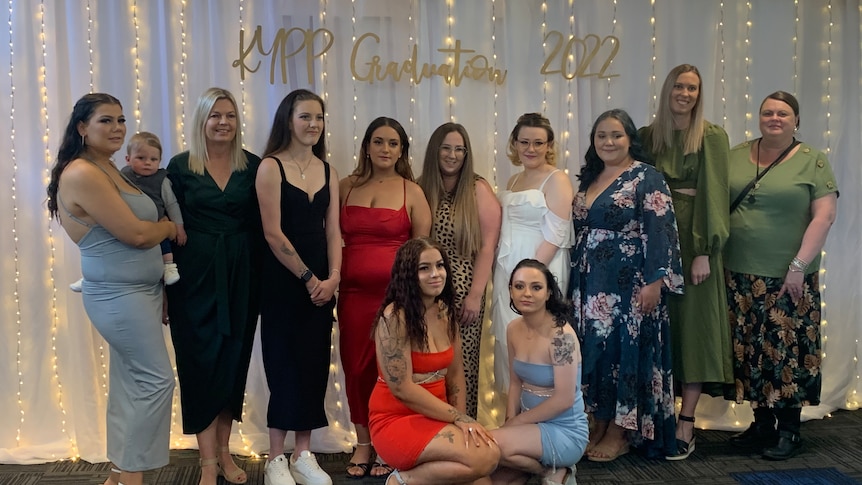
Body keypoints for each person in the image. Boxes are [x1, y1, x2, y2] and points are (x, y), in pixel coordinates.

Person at [46, 93, 177, 485]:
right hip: (119, 297)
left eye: (121, 120)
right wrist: (169, 228)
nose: (117, 128)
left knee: (130, 384)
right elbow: (136, 234)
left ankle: (119, 474)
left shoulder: (109, 168)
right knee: (156, 381)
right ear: (82, 127)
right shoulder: (82, 173)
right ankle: (133, 478)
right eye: (106, 121)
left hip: (141, 293)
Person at [723, 91, 838, 461]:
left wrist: (798, 266)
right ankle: (761, 424)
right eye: (768, 112)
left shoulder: (813, 161)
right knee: (750, 352)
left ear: (796, 120)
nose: (775, 118)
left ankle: (789, 429)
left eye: (783, 113)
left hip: (789, 278)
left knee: (786, 353)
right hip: (738, 274)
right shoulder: (736, 155)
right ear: (759, 117)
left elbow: (825, 217)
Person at [570, 109, 683, 461]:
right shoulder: (591, 177)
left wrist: (655, 282)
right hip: (588, 281)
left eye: (616, 135)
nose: (608, 142)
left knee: (623, 353)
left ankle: (621, 432)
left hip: (629, 283)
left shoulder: (647, 177)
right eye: (601, 135)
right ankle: (601, 421)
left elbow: (662, 230)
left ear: (630, 138)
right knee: (598, 352)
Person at [165, 87, 262, 485]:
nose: (223, 122)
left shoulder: (253, 166)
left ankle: (224, 451)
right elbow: (167, 229)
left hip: (242, 275)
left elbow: (261, 226)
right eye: (215, 115)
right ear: (201, 121)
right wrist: (165, 290)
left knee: (232, 364)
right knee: (199, 365)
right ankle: (206, 461)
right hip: (193, 279)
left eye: (230, 115)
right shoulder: (179, 166)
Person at [638, 64, 733, 460]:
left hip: (694, 243)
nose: (686, 93)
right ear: (667, 90)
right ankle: (656, 416)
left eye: (693, 87)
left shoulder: (711, 136)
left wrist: (704, 252)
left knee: (693, 335)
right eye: (679, 86)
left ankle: (686, 422)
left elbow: (715, 195)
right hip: (652, 243)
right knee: (659, 332)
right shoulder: (646, 136)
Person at [338, 117, 432, 479]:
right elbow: (331, 237)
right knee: (357, 368)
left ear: (402, 150)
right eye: (379, 142)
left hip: (395, 298)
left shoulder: (412, 191)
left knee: (390, 370)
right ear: (367, 146)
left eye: (394, 144)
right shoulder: (345, 186)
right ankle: (363, 442)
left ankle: (388, 443)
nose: (386, 150)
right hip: (353, 295)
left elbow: (422, 252)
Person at [255, 89, 340, 485]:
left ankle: (303, 454)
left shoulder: (328, 170)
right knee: (283, 365)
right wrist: (308, 278)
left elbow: (334, 232)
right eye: (305, 117)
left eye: (318, 118)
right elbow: (272, 234)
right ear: (288, 119)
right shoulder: (270, 167)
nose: (313, 125)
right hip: (283, 282)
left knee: (312, 365)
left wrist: (333, 278)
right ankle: (276, 458)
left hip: (322, 284)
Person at [368, 237, 499, 485]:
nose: (436, 274)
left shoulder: (445, 313)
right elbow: (402, 389)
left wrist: (459, 419)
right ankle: (401, 480)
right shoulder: (394, 317)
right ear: (408, 274)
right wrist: (459, 419)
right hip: (396, 419)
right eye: (424, 268)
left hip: (438, 416)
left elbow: (456, 374)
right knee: (487, 456)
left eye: (440, 266)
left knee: (483, 480)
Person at [418, 122, 502, 419]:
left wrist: (475, 295)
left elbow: (487, 247)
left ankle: (464, 426)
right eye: (446, 148)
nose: (453, 155)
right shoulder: (421, 187)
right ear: (435, 151)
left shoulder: (477, 188)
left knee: (462, 363)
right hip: (427, 289)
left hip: (465, 287)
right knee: (429, 361)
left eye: (459, 149)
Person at [491, 113, 574, 407]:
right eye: (524, 142)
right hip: (508, 268)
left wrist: (528, 279)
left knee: (539, 340)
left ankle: (544, 414)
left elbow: (556, 234)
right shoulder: (514, 179)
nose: (531, 148)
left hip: (540, 268)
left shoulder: (557, 178)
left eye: (538, 143)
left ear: (549, 144)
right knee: (510, 336)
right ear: (515, 142)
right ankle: (513, 411)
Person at [490, 259, 587, 485]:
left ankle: (554, 468)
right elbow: (515, 383)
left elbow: (564, 399)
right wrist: (510, 420)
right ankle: (547, 469)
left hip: (566, 431)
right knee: (488, 478)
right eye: (519, 286)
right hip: (529, 427)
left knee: (490, 445)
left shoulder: (562, 336)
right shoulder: (513, 328)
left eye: (536, 287)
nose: (527, 293)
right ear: (511, 291)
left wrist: (517, 424)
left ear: (548, 293)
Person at [69, 132, 186, 291]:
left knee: (162, 244)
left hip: (154, 224)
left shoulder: (162, 179)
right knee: (108, 245)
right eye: (141, 158)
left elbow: (172, 203)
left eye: (153, 159)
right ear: (128, 159)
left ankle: (169, 267)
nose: (147, 163)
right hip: (125, 221)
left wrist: (178, 226)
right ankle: (91, 277)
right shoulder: (122, 175)